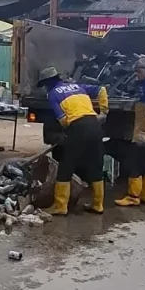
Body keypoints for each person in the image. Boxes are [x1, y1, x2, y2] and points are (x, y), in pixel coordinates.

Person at [37, 67, 108, 215]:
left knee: (66, 166)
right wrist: (104, 112)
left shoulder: (53, 94)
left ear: (48, 83)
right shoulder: (78, 86)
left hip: (78, 127)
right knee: (95, 166)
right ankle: (98, 204)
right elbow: (102, 89)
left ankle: (60, 206)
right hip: (95, 125)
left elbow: (63, 119)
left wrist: (68, 133)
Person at [116, 56, 145, 208]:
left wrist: (143, 132)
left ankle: (133, 196)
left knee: (134, 163)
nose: (137, 74)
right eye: (136, 71)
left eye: (140, 71)